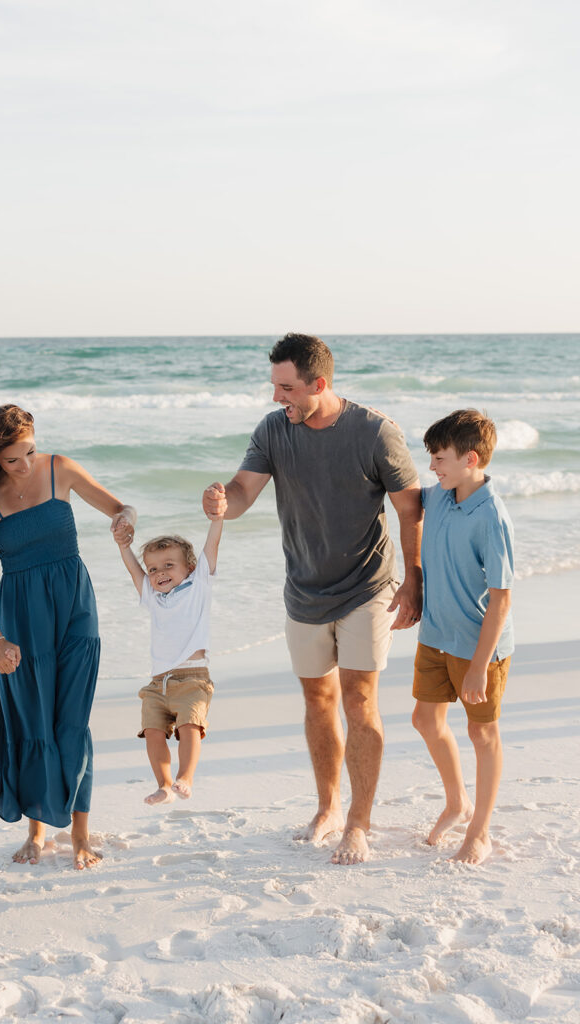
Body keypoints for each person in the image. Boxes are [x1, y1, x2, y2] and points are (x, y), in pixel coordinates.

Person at [203, 333, 422, 865]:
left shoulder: (375, 432)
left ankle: (359, 823)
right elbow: (241, 494)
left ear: (317, 384)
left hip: (368, 586)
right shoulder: (274, 430)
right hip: (303, 589)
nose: (278, 398)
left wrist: (415, 579)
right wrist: (219, 501)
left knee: (357, 700)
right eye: (275, 386)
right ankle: (328, 807)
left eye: (286, 388)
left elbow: (410, 508)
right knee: (317, 701)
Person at [0, 405, 136, 868]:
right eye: (12, 459)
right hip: (20, 617)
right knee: (32, 720)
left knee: (72, 722)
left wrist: (126, 520)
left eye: (29, 453)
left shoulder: (60, 469)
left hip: (76, 609)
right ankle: (37, 831)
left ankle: (80, 834)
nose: (24, 465)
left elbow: (118, 507)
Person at [411, 409, 514, 865]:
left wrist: (478, 666)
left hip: (479, 647)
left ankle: (480, 830)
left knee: (481, 732)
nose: (432, 466)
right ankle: (457, 802)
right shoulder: (439, 497)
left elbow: (502, 600)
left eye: (439, 458)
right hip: (435, 635)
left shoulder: (492, 516)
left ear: (470, 459)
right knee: (425, 720)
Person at [114, 517, 223, 805]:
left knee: (190, 727)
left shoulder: (198, 586)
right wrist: (123, 546)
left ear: (189, 568)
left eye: (168, 565)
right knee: (152, 732)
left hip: (192, 678)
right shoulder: (153, 597)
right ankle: (164, 785)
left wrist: (217, 518)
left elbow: (212, 546)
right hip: (157, 683)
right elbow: (134, 572)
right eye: (153, 568)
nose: (159, 573)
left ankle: (185, 777)